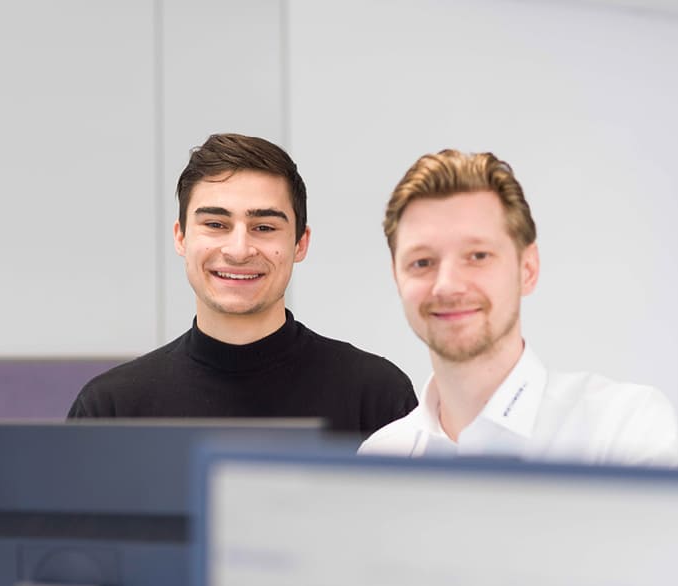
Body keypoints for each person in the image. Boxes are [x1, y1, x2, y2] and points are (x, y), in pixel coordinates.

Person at [359, 148, 678, 466]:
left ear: (528, 269)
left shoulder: (626, 432)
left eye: (478, 256)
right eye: (422, 262)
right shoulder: (379, 458)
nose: (447, 285)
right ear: (396, 278)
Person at [68, 133, 417, 438]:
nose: (238, 250)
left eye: (264, 227)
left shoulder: (375, 397)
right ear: (181, 237)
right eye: (216, 224)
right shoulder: (111, 409)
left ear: (300, 243)